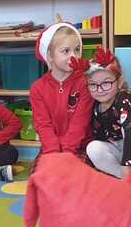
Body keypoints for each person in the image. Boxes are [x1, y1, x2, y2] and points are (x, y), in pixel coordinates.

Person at [81, 49, 131, 178]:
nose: (100, 90)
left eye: (106, 83)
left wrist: (126, 164)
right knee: (93, 148)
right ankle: (127, 178)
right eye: (93, 85)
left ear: (120, 81)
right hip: (121, 149)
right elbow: (100, 137)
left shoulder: (125, 99)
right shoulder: (96, 107)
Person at [29, 22, 91, 155]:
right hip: (51, 148)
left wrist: (67, 153)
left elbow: (80, 123)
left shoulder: (85, 83)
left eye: (77, 49)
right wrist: (53, 152)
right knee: (42, 169)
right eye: (66, 51)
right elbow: (43, 125)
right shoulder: (37, 88)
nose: (74, 56)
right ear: (50, 56)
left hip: (80, 147)